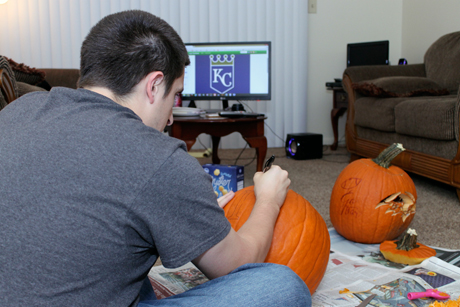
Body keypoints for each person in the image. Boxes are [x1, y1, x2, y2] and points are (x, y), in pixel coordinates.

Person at [0, 10, 311, 306]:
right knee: (282, 286)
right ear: (153, 85)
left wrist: (180, 215)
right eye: (175, 95)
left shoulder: (17, 110)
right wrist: (268, 199)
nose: (171, 118)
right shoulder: (160, 157)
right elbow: (238, 264)